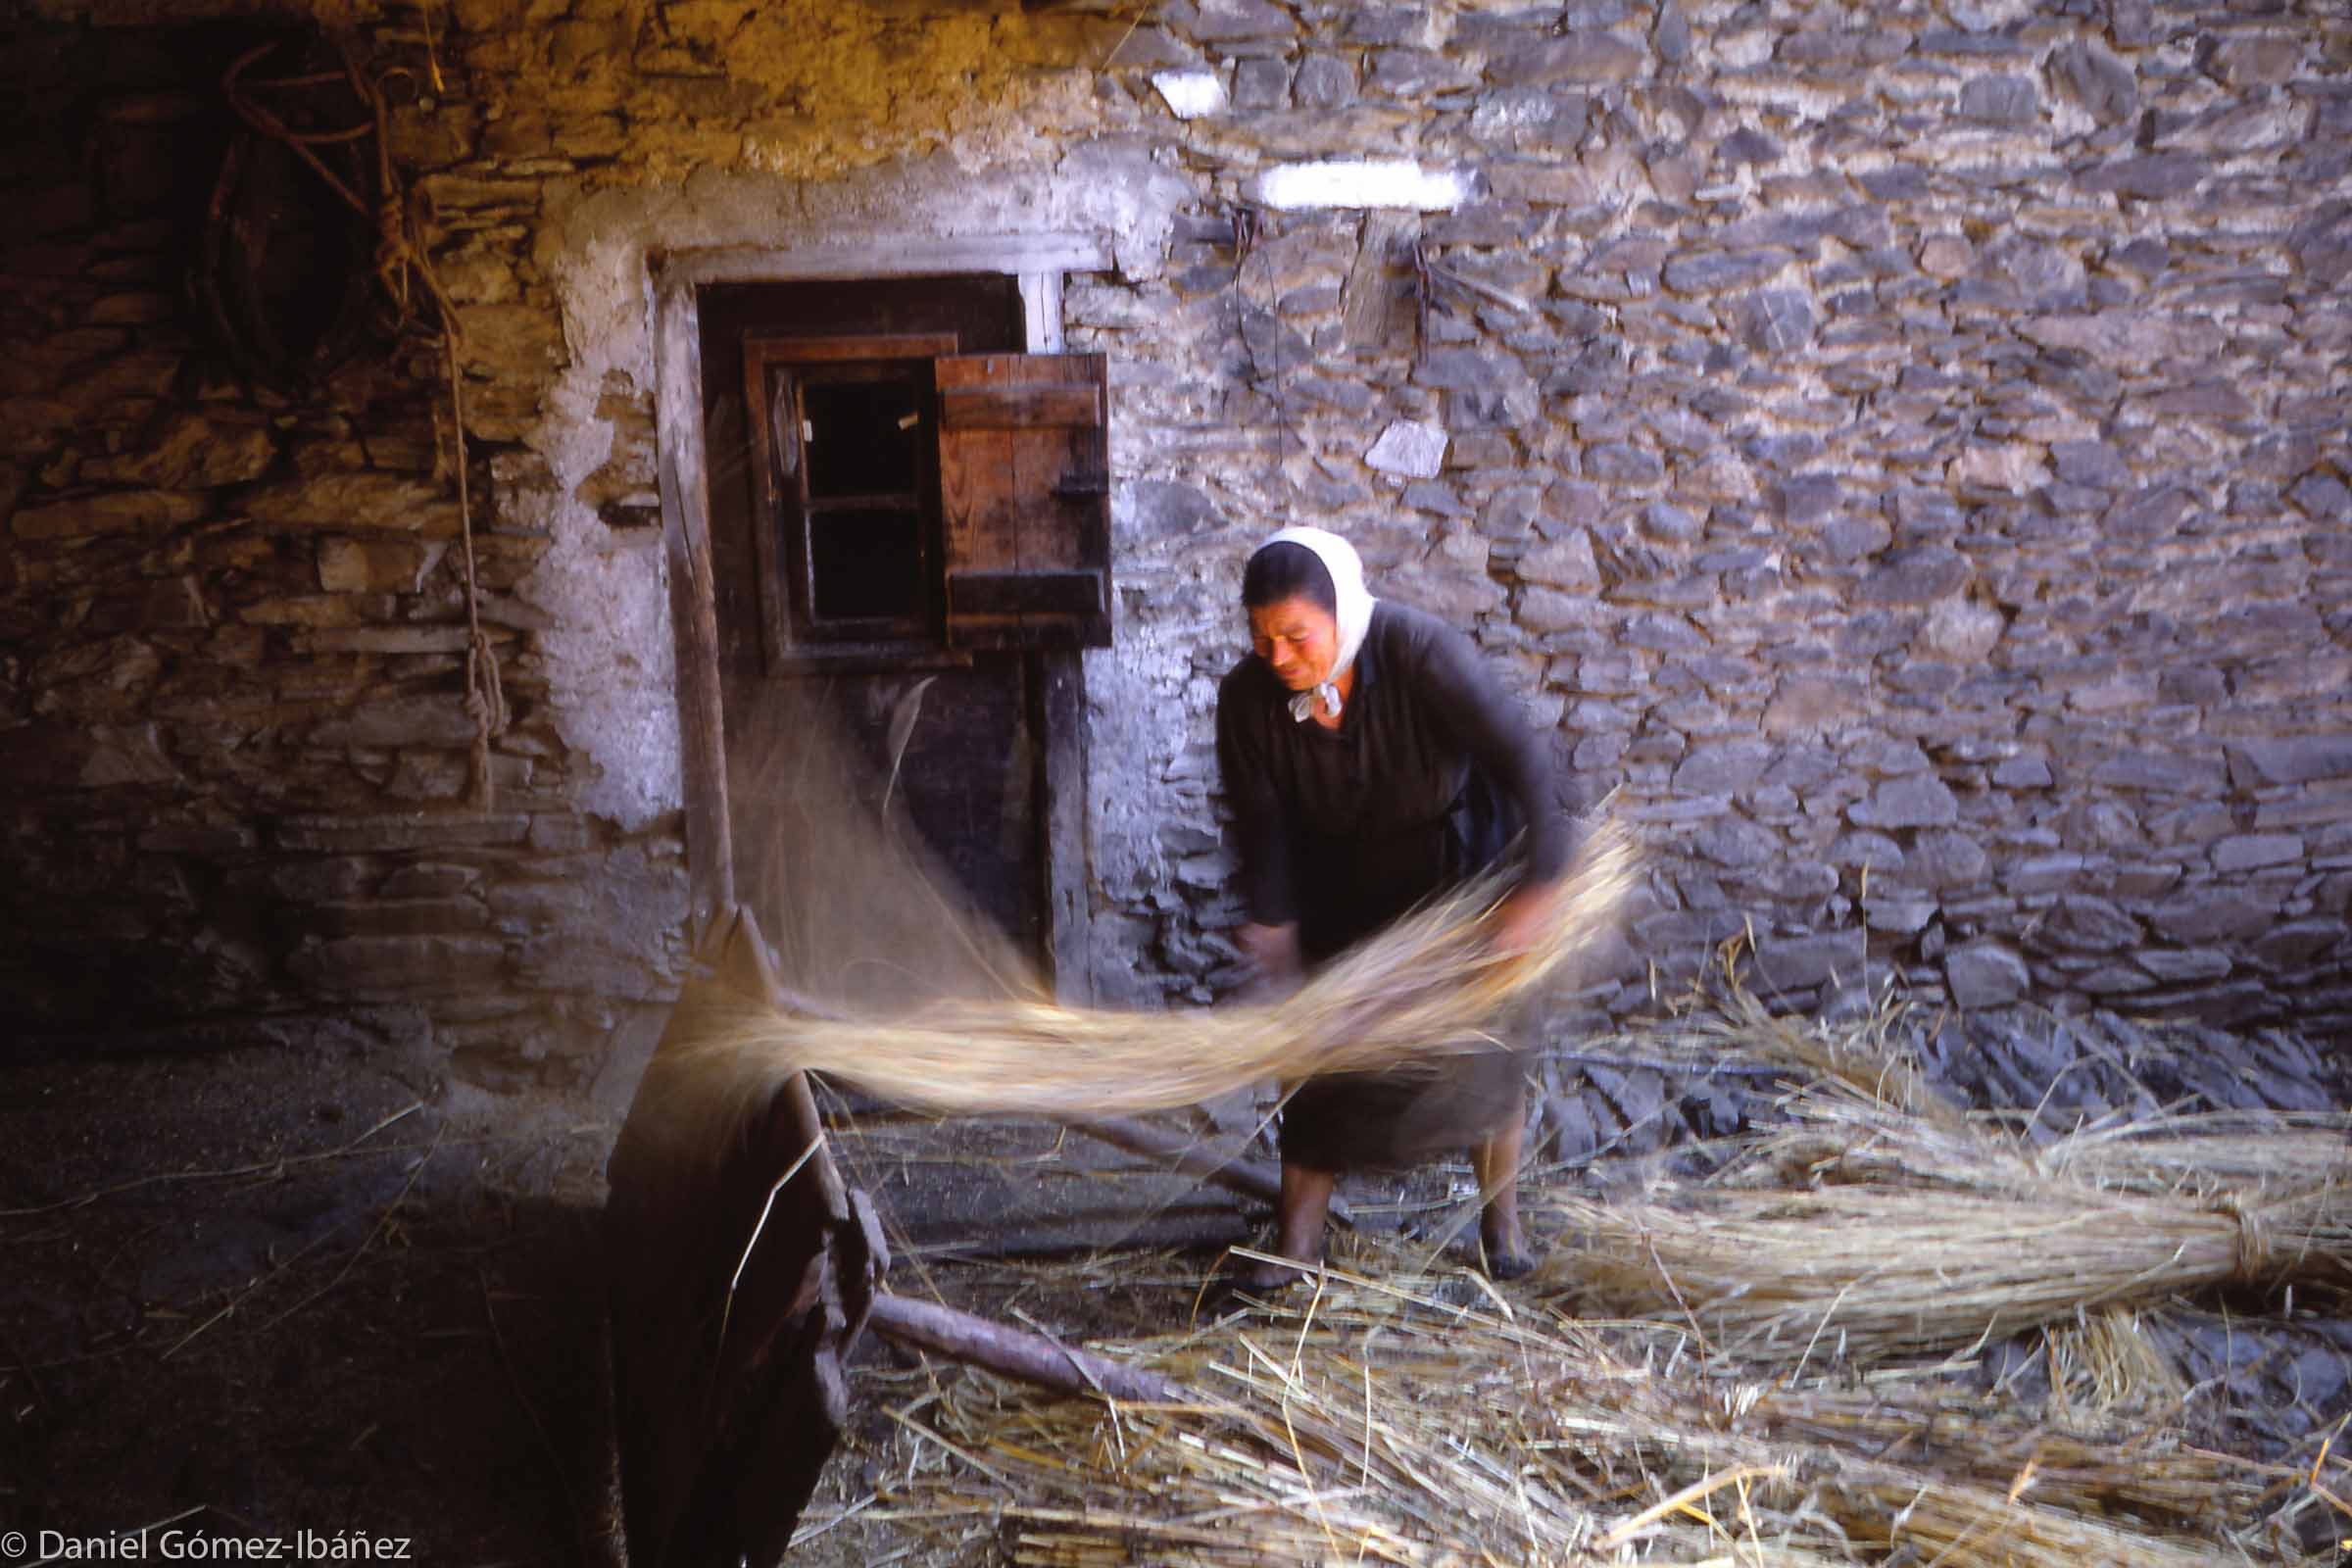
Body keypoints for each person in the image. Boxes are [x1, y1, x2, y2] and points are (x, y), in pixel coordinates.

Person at [1215, 525, 1571, 1284]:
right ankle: (1297, 1251)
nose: (1277, 656)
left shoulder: (1419, 653)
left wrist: (1538, 889)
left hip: (1462, 871)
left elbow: (1525, 760)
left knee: (1486, 1052)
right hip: (1344, 882)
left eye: (1295, 635)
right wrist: (1274, 923)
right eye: (1260, 636)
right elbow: (1263, 824)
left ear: (1342, 613)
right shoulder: (1247, 701)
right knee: (1323, 1060)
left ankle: (1501, 1229)